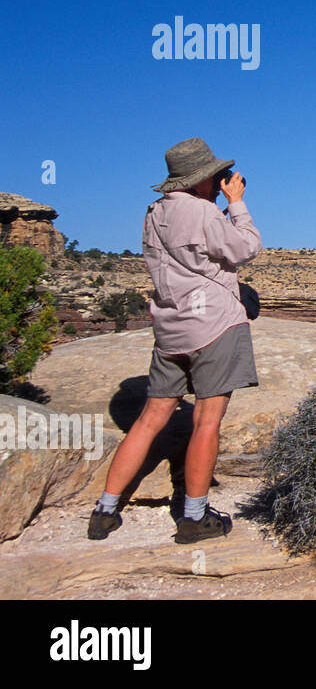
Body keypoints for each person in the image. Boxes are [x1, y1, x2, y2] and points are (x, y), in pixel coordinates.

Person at [87, 137, 261, 543]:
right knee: (206, 422)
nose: (220, 179)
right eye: (215, 175)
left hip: (170, 328)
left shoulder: (154, 212)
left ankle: (105, 510)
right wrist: (235, 203)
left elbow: (187, 254)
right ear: (202, 180)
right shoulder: (204, 210)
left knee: (149, 419)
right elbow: (246, 247)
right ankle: (194, 518)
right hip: (214, 327)